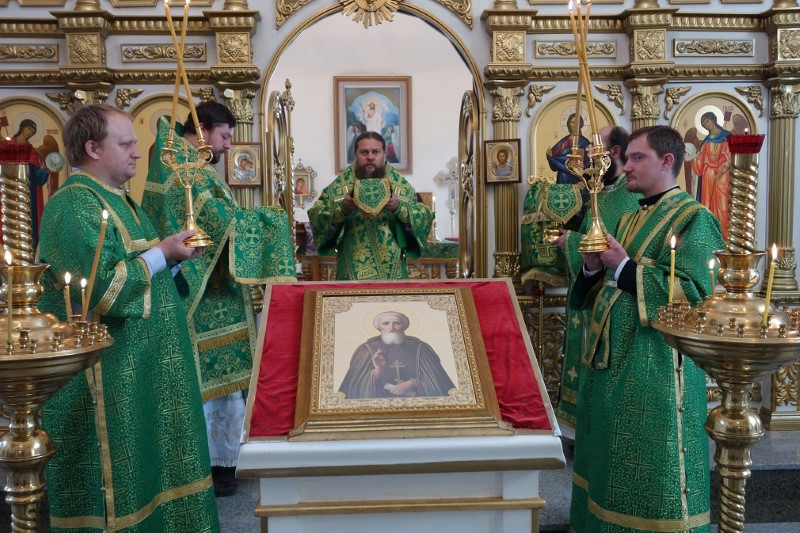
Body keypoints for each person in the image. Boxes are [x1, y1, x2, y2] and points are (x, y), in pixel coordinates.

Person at [36, 104, 219, 531]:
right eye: (126, 144)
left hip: (140, 372)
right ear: (93, 149)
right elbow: (101, 288)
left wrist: (174, 257)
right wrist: (162, 252)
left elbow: (144, 270)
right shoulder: (73, 204)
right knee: (122, 486)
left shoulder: (119, 201)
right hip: (107, 380)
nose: (137, 153)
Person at [568, 126, 724, 531]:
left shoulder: (695, 219)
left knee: (650, 472)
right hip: (611, 366)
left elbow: (696, 294)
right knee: (607, 465)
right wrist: (592, 267)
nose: (626, 167)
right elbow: (602, 286)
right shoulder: (631, 217)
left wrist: (622, 265)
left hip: (656, 370)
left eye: (638, 158)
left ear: (667, 161)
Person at [142, 101, 296, 497]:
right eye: (225, 136)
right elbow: (217, 222)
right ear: (203, 130)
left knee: (222, 381)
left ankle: (222, 461)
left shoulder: (190, 164)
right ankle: (210, 464)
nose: (228, 145)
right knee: (208, 381)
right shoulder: (185, 169)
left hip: (217, 290)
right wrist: (272, 220)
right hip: (202, 295)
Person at [553, 125, 641, 428]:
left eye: (593, 148)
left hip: (614, 305)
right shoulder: (599, 193)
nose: (587, 156)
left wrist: (571, 241)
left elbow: (618, 247)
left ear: (613, 151)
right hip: (588, 296)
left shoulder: (630, 198)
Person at [308, 131, 432, 280]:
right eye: (364, 152)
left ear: (385, 154)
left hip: (392, 270)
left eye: (375, 152)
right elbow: (317, 217)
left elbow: (423, 218)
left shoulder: (401, 188)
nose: (370, 157)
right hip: (352, 269)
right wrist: (342, 209)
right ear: (355, 154)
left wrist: (399, 208)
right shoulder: (338, 188)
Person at [338, 311, 456, 399]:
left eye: (397, 323)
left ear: (403, 326)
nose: (391, 327)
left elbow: (438, 382)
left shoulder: (421, 348)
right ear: (379, 327)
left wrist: (413, 383)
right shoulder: (366, 349)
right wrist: (378, 371)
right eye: (386, 323)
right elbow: (354, 388)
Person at [0, 118, 53, 246]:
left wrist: (45, 172)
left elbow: (34, 172)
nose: (29, 133)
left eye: (32, 132)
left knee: (27, 222)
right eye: (28, 129)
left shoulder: (30, 150)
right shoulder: (6, 145)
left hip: (26, 192)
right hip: (8, 188)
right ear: (22, 127)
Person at [690, 111, 731, 239]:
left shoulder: (727, 136)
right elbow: (700, 161)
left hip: (723, 174)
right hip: (708, 175)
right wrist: (691, 158)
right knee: (707, 202)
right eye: (703, 124)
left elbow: (730, 157)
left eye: (707, 121)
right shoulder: (706, 141)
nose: (706, 125)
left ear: (713, 119)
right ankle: (709, 234)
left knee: (722, 203)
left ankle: (724, 235)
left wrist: (721, 173)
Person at [546, 112, 591, 185]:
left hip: (576, 178)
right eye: (572, 122)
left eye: (577, 122)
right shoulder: (564, 140)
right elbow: (553, 155)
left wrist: (576, 165)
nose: (574, 125)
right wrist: (550, 156)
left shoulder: (584, 142)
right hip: (562, 176)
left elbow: (588, 161)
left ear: (580, 124)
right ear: (568, 124)